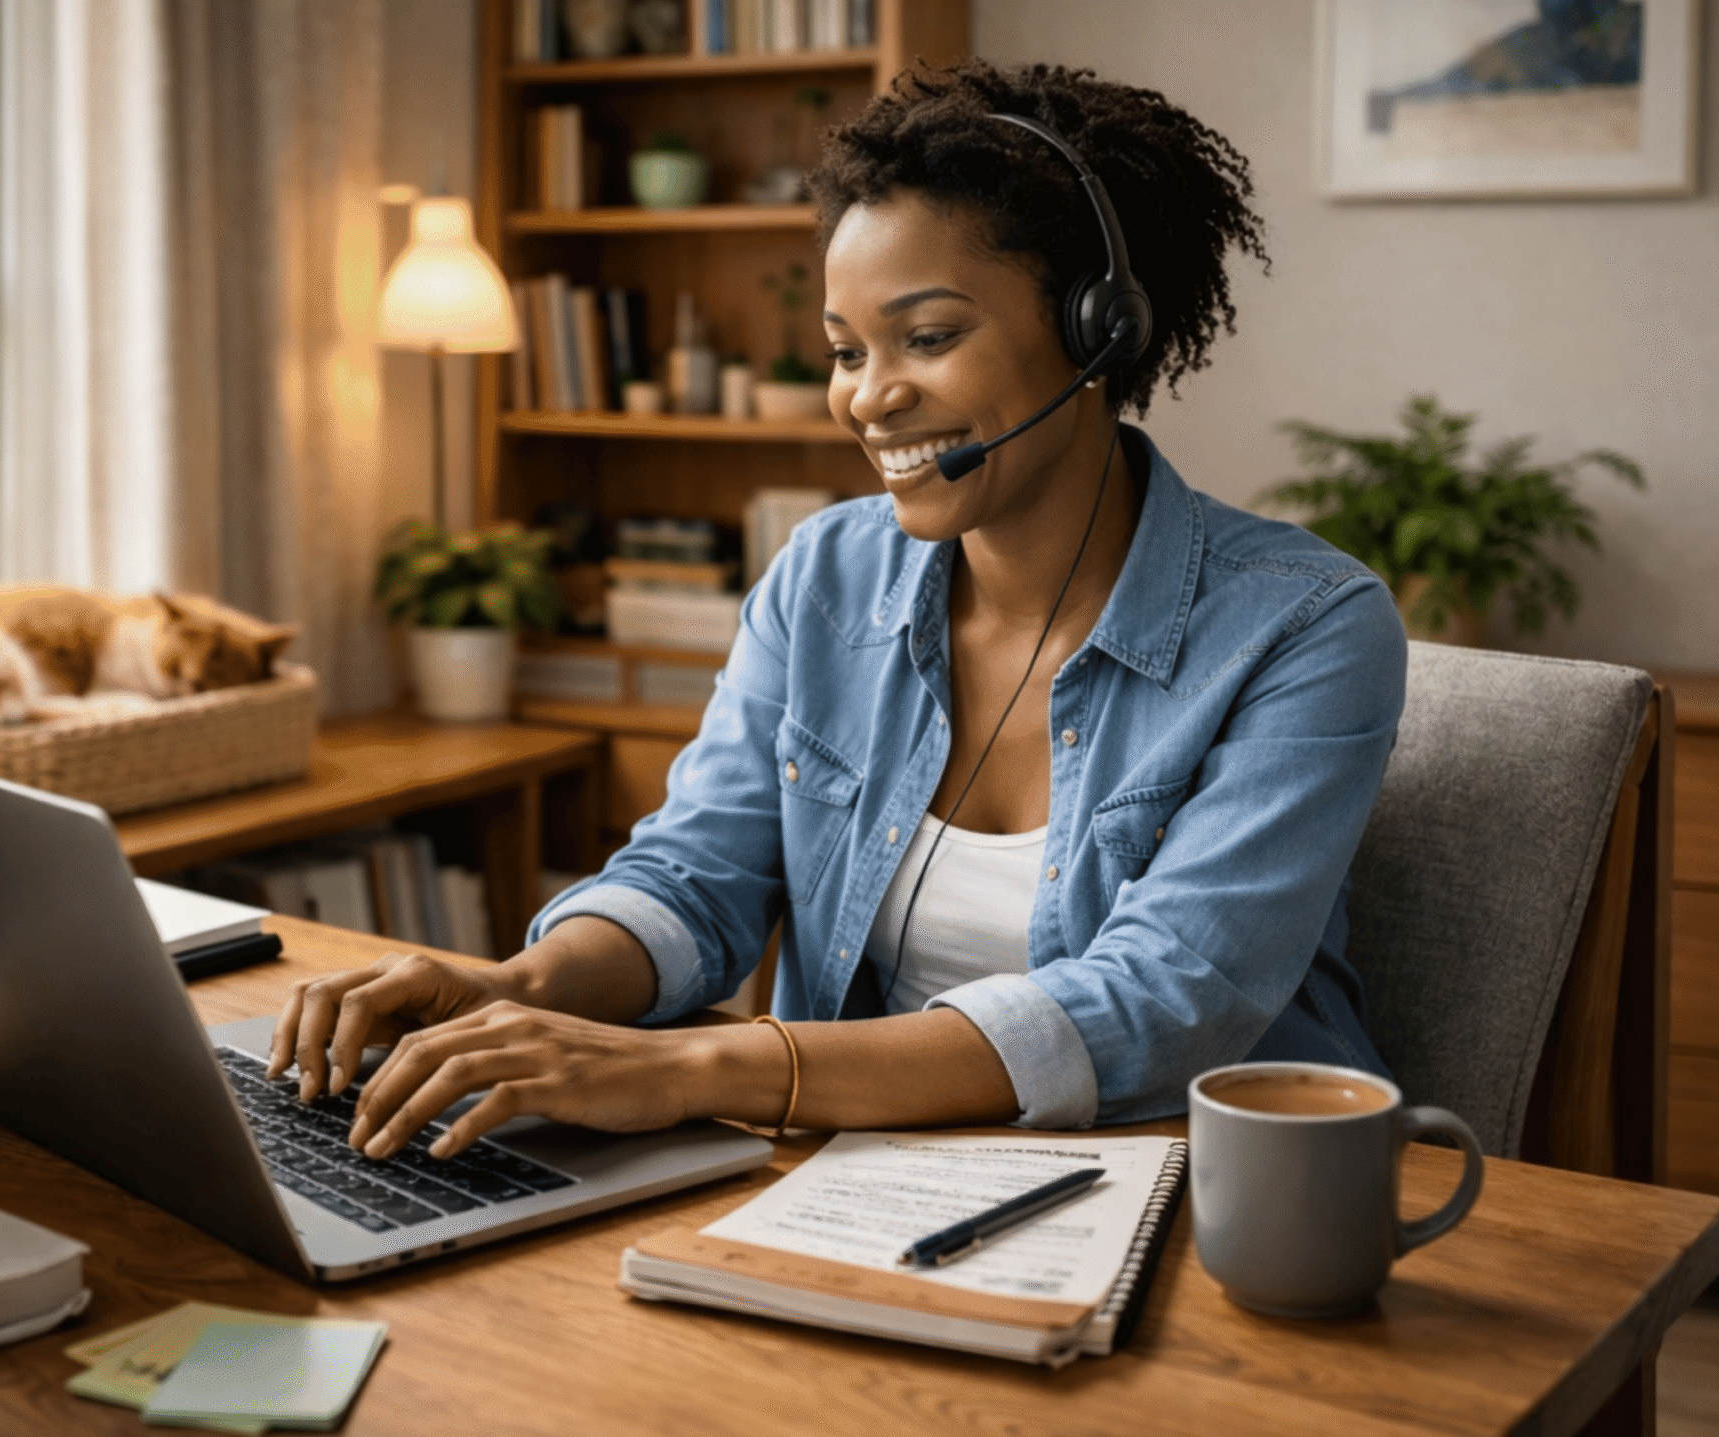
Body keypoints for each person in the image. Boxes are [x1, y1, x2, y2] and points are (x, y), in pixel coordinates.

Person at [269, 60, 1407, 1163]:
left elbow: (1162, 1001)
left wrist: (686, 1073)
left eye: (928, 337)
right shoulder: (823, 576)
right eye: (844, 351)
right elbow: (696, 875)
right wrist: (515, 989)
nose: (869, 397)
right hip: (850, 1177)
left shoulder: (1305, 626)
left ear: (1098, 330)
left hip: (1188, 1186)